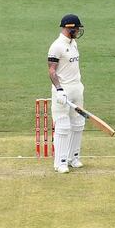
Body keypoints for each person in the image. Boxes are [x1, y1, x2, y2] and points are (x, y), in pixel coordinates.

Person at [47, 14, 86, 173]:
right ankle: (60, 162)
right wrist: (59, 89)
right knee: (63, 126)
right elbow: (51, 70)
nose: (78, 31)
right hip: (63, 91)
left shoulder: (73, 43)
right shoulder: (56, 46)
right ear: (69, 28)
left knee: (78, 124)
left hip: (77, 88)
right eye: (76, 28)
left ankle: (73, 158)